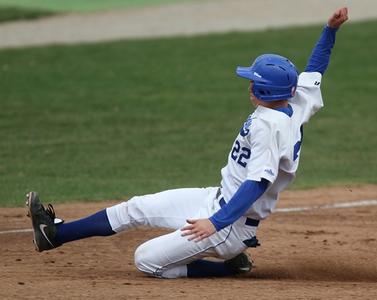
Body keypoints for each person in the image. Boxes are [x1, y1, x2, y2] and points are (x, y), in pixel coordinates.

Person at [25, 7, 349, 279]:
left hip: (229, 226)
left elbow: (257, 183)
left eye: (253, 81)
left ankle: (231, 269)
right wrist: (330, 30)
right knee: (136, 207)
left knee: (146, 260)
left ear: (263, 92)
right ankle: (53, 235)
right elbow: (315, 69)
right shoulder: (294, 98)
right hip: (215, 199)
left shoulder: (269, 125)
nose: (249, 85)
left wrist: (214, 223)